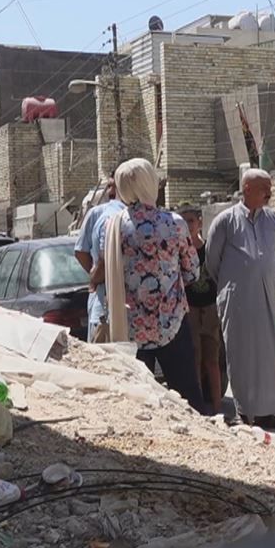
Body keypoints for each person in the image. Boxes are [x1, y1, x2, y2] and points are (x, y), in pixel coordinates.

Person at [102, 158, 206, 414]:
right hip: (171, 323)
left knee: (139, 401)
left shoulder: (113, 225)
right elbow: (192, 271)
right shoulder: (174, 223)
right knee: (187, 398)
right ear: (149, 182)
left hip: (130, 327)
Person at [206, 168, 275, 429]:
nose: (269, 194)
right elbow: (212, 261)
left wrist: (261, 274)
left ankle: (268, 412)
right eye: (265, 188)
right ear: (248, 189)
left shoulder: (274, 220)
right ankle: (245, 411)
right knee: (241, 353)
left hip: (267, 295)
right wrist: (239, 280)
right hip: (237, 298)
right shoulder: (225, 221)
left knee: (271, 354)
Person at [179, 204, 224, 416]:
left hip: (210, 309)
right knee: (194, 359)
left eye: (191, 221)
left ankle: (217, 407)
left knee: (212, 361)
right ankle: (198, 408)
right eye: (184, 221)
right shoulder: (180, 250)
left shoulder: (208, 250)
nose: (188, 225)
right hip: (190, 310)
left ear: (199, 222)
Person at [73, 175, 124, 342]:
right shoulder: (97, 214)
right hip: (102, 304)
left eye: (114, 186)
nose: (110, 192)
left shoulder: (130, 215)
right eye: (108, 186)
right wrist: (96, 274)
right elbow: (81, 252)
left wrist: (96, 276)